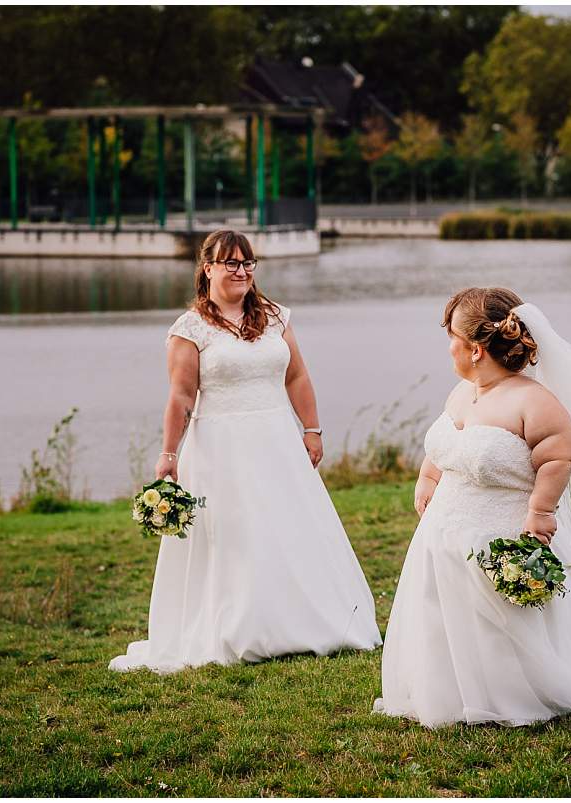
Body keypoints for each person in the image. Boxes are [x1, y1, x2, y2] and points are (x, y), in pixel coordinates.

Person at [110, 229, 382, 673]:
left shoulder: (275, 317)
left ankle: (302, 621)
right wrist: (168, 455)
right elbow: (181, 398)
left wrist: (311, 429)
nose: (241, 271)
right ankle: (238, 626)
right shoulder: (189, 329)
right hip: (220, 447)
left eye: (248, 263)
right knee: (235, 535)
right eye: (231, 263)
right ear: (208, 268)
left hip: (276, 439)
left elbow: (297, 377)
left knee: (288, 526)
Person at [375, 287, 571, 727]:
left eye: (452, 338)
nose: (448, 347)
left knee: (498, 620)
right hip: (444, 530)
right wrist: (428, 477)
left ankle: (509, 693)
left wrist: (541, 512)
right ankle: (451, 692)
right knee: (440, 611)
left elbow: (560, 456)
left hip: (500, 530)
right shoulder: (463, 393)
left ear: (476, 349)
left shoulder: (532, 400)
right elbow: (447, 439)